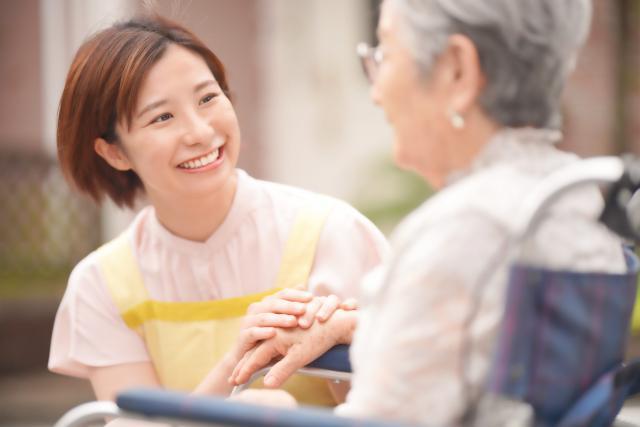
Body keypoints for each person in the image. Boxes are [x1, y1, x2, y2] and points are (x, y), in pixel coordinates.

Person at [226, 0, 629, 424]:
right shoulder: (576, 200)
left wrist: (274, 414)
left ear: (457, 70)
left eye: (385, 54)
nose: (377, 90)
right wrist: (356, 326)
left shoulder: (464, 231)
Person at [48, 14, 388, 408]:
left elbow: (387, 404)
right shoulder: (102, 283)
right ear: (115, 151)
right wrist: (236, 364)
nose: (201, 132)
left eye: (208, 98)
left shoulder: (331, 234)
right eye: (162, 117)